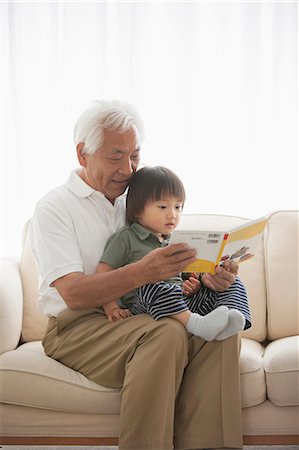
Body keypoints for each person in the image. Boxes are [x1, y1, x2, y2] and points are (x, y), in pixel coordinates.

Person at [31, 99, 244, 450]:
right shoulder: (54, 208)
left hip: (139, 312)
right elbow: (74, 294)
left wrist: (209, 276)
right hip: (78, 325)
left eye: (135, 156)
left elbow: (166, 264)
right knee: (166, 335)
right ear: (83, 154)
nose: (128, 168)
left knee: (221, 329)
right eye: (116, 157)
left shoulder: (136, 198)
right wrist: (142, 272)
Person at [98, 165, 251, 342]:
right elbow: (103, 272)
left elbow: (187, 276)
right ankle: (197, 325)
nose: (172, 215)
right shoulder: (126, 238)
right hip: (146, 306)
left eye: (178, 207)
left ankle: (229, 323)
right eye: (163, 207)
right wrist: (111, 308)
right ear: (138, 210)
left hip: (184, 304)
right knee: (150, 285)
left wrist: (194, 284)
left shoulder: (177, 241)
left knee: (232, 281)